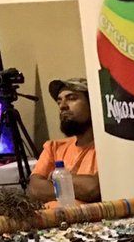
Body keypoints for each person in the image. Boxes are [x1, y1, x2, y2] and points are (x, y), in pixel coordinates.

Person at [27, 77, 100, 206]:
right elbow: (35, 189)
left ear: (92, 103)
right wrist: (72, 185)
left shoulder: (107, 147)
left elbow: (93, 189)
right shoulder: (54, 147)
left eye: (72, 98)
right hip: (50, 217)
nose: (62, 106)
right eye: (59, 101)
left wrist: (54, 178)